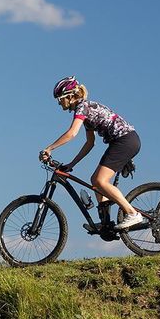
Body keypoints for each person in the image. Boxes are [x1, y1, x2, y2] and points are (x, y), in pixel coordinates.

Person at [39, 76, 143, 230]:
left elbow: (72, 133)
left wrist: (49, 148)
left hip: (124, 141)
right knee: (96, 180)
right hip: (122, 141)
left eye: (60, 99)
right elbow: (89, 143)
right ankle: (106, 223)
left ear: (69, 96)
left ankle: (132, 213)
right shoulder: (86, 110)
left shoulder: (82, 107)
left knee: (100, 180)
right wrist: (71, 164)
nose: (59, 103)